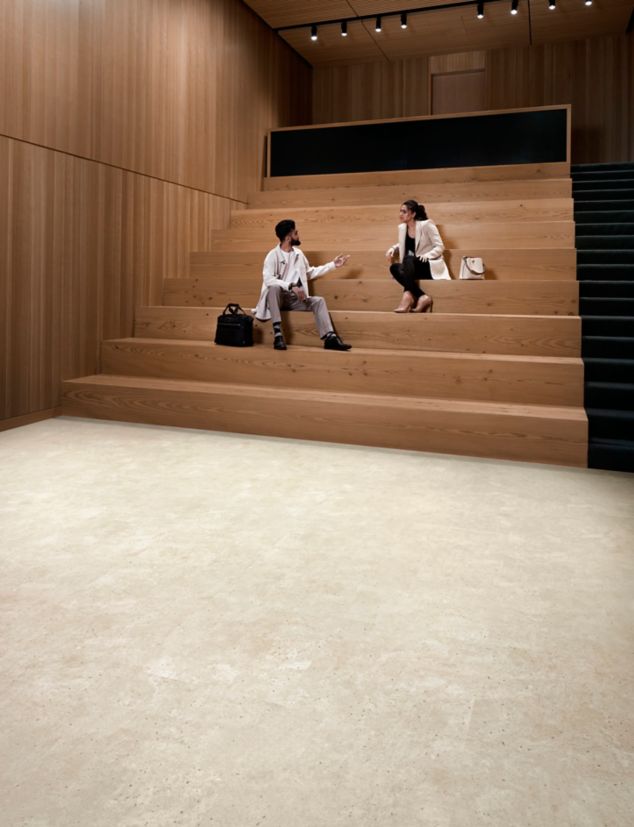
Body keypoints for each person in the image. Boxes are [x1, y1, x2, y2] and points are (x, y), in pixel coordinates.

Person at [254, 219, 352, 351]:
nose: (298, 234)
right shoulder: (272, 256)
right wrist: (290, 286)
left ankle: (329, 338)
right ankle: (278, 334)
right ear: (288, 238)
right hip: (277, 299)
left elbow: (309, 273)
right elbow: (268, 280)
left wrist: (333, 265)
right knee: (274, 288)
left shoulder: (299, 254)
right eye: (296, 232)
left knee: (319, 301)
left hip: (294, 299)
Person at [385, 200, 449, 314]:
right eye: (400, 211)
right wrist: (393, 248)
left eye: (404, 211)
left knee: (408, 259)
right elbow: (403, 243)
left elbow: (440, 246)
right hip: (412, 267)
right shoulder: (402, 228)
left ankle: (407, 297)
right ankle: (422, 297)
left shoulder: (427, 224)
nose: (400, 214)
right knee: (394, 267)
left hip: (428, 265)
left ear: (413, 214)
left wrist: (427, 255)